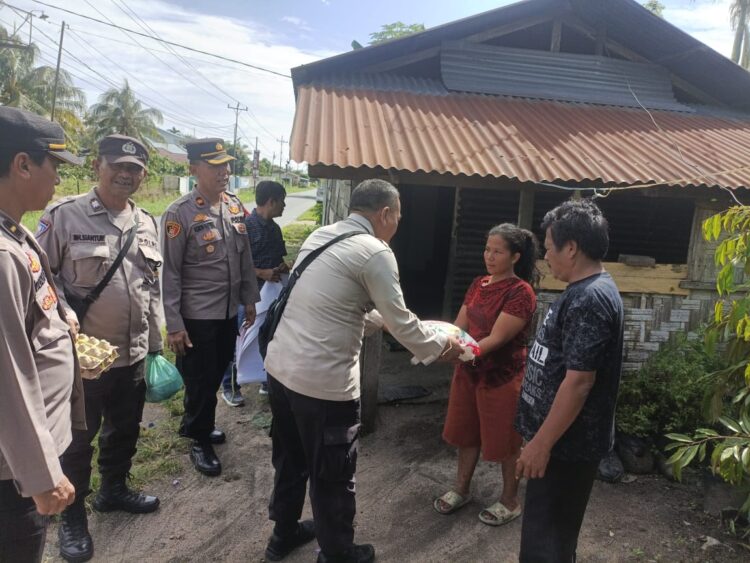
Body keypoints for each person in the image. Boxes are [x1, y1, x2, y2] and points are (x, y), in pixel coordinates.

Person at [263, 179, 464, 563]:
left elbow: (335, 304)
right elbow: (405, 322)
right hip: (323, 386)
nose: (398, 223)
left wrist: (385, 322)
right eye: (399, 215)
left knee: (290, 458)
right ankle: (337, 553)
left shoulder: (322, 236)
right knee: (333, 473)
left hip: (281, 370)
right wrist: (442, 348)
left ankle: (283, 534)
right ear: (385, 213)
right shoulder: (375, 252)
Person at [37, 134, 164, 562]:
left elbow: (152, 288)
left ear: (143, 175)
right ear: (98, 167)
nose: (126, 174)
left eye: (135, 169)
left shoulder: (147, 222)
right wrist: (65, 314)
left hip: (132, 354)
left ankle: (114, 489)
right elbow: (40, 279)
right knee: (77, 439)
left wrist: (157, 344)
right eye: (118, 166)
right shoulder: (65, 216)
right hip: (84, 360)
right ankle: (72, 517)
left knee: (125, 429)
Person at [514, 199, 624, 562]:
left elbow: (579, 382)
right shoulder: (584, 290)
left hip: (565, 448)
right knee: (548, 541)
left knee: (546, 547)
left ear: (571, 248)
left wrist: (541, 444)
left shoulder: (590, 298)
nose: (546, 257)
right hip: (558, 443)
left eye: (548, 248)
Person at [0, 107, 84, 563]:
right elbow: (8, 378)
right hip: (14, 471)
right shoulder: (2, 254)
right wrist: (42, 476)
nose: (58, 179)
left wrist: (60, 317)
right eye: (54, 166)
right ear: (23, 165)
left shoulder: (15, 232)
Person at [161, 138, 259, 477]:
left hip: (228, 311)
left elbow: (245, 258)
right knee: (199, 380)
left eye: (227, 164)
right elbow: (170, 272)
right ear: (193, 169)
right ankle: (198, 438)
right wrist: (174, 323)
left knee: (217, 372)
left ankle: (203, 423)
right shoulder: (180, 213)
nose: (225, 171)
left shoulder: (234, 206)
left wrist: (249, 298)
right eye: (216, 165)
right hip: (197, 315)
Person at [434, 223, 538, 527]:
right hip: (468, 373)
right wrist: (443, 343)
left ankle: (510, 500)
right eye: (487, 249)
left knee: (507, 441)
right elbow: (458, 326)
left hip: (501, 376)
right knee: (466, 432)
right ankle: (461, 489)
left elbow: (496, 339)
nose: (489, 256)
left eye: (498, 251)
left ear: (515, 256)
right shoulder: (478, 284)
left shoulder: (521, 292)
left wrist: (459, 352)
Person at [221, 180, 288, 406]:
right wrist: (262, 273)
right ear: (271, 201)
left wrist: (281, 268)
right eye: (282, 201)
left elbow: (278, 258)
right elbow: (234, 265)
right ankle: (230, 387)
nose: (284, 206)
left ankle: (264, 379)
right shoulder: (245, 227)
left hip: (270, 296)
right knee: (237, 339)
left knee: (270, 337)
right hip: (246, 296)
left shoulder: (275, 229)